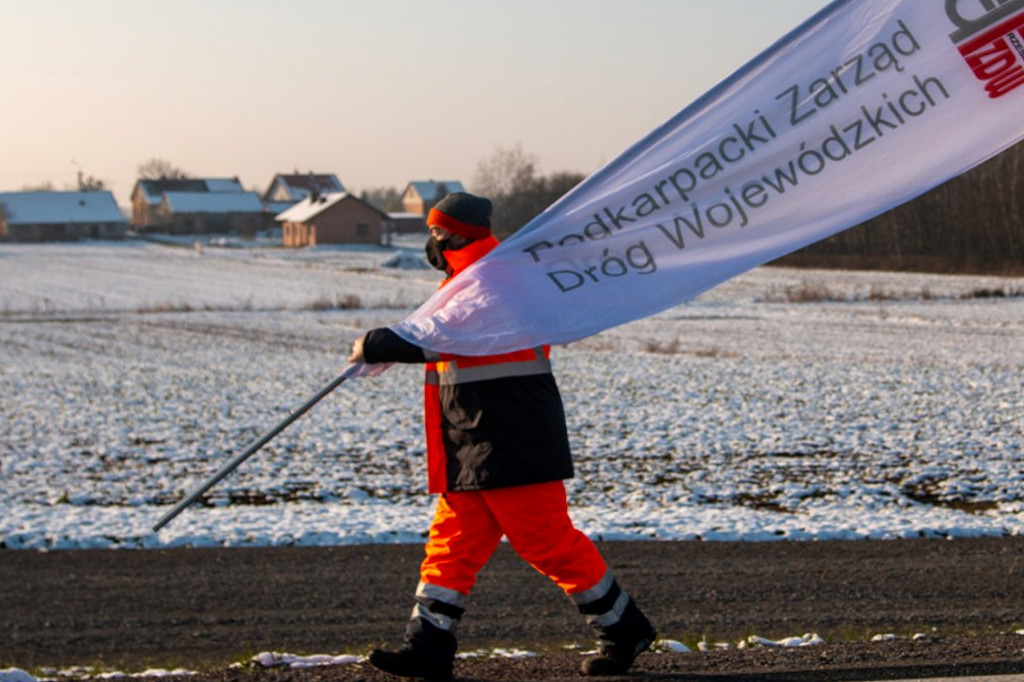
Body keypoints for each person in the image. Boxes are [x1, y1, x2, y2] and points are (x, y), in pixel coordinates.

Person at [348, 192, 656, 680]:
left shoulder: (492, 281)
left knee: (547, 541)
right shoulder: (463, 282)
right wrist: (390, 347)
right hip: (473, 438)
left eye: (435, 231)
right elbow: (442, 333)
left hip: (513, 436)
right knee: (452, 543)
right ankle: (427, 648)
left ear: (453, 233)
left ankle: (623, 629)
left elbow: (449, 330)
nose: (431, 240)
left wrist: (388, 342)